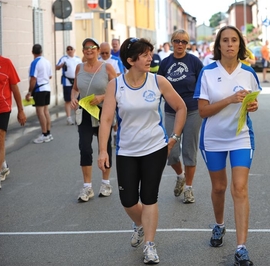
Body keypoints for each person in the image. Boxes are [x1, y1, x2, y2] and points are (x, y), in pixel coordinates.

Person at [97, 37, 186, 264]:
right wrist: (103, 151)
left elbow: (181, 107)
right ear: (130, 60)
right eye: (145, 55)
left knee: (149, 198)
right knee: (127, 200)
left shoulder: (158, 81)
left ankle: (149, 244)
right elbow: (106, 119)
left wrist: (174, 138)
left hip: (155, 148)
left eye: (150, 54)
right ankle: (139, 224)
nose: (150, 58)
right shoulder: (115, 85)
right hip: (126, 150)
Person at [193, 25, 261, 266]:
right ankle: (219, 226)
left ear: (240, 45)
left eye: (234, 40)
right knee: (219, 187)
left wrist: (252, 106)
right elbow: (202, 111)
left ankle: (241, 247)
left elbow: (253, 104)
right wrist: (230, 99)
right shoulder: (208, 73)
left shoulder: (249, 73)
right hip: (213, 138)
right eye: (225, 40)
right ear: (218, 45)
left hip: (241, 136)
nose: (230, 44)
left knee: (240, 188)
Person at [157, 29, 203, 204]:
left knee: (189, 151)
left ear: (188, 44)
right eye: (177, 41)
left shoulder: (194, 62)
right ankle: (180, 175)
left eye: (184, 42)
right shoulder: (165, 63)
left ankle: (189, 189)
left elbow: (203, 83)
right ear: (172, 42)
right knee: (170, 151)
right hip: (171, 112)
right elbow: (158, 85)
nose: (180, 45)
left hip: (192, 110)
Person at [70, 37, 117, 202]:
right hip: (85, 112)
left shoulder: (107, 68)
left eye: (92, 47)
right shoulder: (79, 68)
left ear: (97, 50)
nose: (89, 50)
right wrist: (73, 98)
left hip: (103, 112)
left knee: (104, 148)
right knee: (84, 147)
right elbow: (75, 89)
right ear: (83, 51)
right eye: (86, 48)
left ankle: (105, 183)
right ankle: (87, 187)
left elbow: (118, 88)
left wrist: (102, 96)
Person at [0, 55, 27, 189]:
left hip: (2, 107)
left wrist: (20, 110)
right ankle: (2, 164)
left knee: (0, 138)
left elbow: (14, 88)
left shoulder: (6, 63)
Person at [26, 44, 53, 144]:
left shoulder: (35, 62)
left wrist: (29, 92)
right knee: (46, 111)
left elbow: (33, 78)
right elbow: (50, 76)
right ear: (41, 51)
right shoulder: (47, 62)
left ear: (32, 52)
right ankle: (48, 133)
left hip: (39, 89)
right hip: (47, 88)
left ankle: (44, 134)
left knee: (40, 112)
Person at [56, 45, 82, 125]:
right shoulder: (64, 58)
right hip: (67, 80)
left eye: (71, 49)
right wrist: (61, 66)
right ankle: (68, 117)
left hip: (76, 80)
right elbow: (57, 67)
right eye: (68, 49)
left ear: (74, 50)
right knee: (68, 100)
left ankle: (77, 117)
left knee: (77, 99)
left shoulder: (78, 59)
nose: (70, 50)